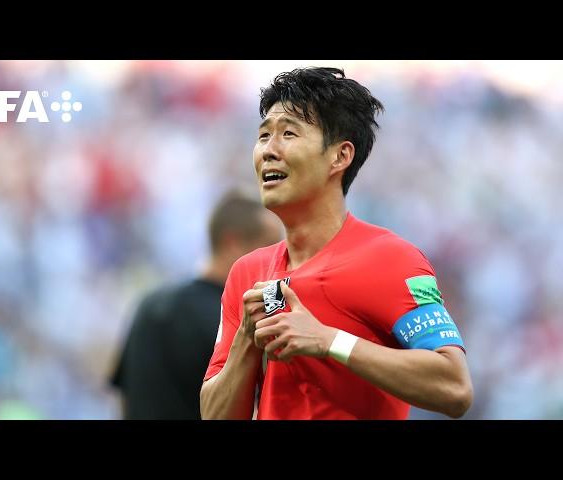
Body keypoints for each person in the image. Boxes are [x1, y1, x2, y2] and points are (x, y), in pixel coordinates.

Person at [200, 67, 473, 420]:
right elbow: (214, 415)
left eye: (288, 133)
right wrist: (245, 341)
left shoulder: (390, 259)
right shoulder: (246, 273)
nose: (269, 149)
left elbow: (455, 387)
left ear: (340, 156)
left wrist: (330, 341)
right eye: (264, 135)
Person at [110, 190, 282, 419]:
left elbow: (124, 395)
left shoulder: (148, 305)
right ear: (232, 243)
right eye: (269, 247)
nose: (278, 259)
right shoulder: (235, 323)